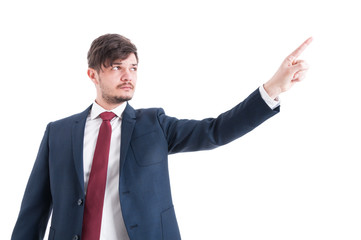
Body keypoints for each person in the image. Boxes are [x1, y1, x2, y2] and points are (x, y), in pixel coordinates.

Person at [11, 34, 312, 240]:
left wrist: (273, 87)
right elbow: (34, 209)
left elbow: (216, 131)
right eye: (117, 67)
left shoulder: (153, 124)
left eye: (133, 67)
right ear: (93, 75)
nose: (128, 76)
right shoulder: (59, 132)